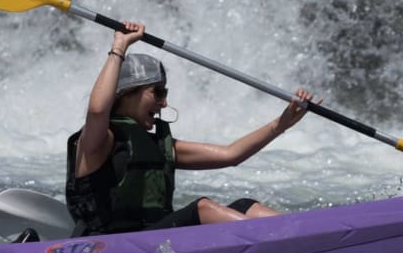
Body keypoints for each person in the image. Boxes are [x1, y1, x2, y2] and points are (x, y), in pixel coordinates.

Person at [65, 21, 319, 236]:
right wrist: (119, 46)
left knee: (246, 206)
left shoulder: (156, 146)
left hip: (154, 243)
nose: (164, 102)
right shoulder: (98, 141)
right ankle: (285, 245)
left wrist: (281, 123)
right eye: (158, 92)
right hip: (109, 246)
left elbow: (231, 155)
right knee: (203, 208)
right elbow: (98, 109)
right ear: (126, 94)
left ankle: (313, 236)